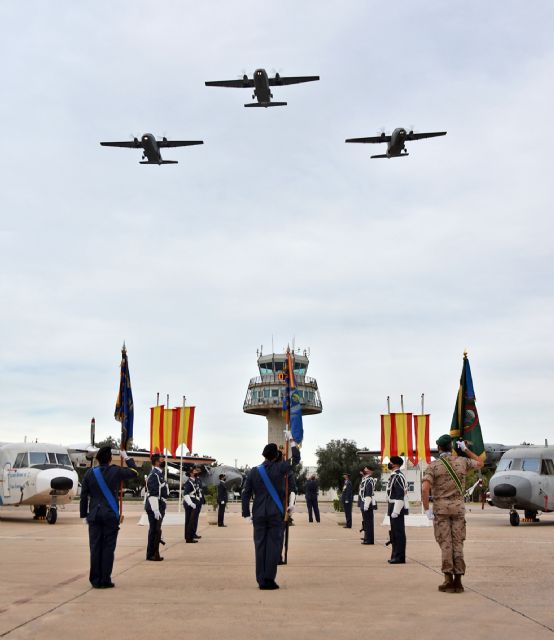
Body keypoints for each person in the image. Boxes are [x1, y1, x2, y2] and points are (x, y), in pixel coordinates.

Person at [422, 435, 484, 593]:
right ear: (452, 447)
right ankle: (459, 581)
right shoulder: (462, 461)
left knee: (446, 544)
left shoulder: (433, 466)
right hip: (458, 509)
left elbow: (425, 488)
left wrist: (427, 509)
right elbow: (480, 463)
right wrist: (466, 450)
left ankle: (448, 579)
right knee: (458, 543)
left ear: (439, 448)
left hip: (441, 510)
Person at [242, 434, 300, 590]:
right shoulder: (281, 467)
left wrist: (246, 513)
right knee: (274, 547)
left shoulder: (254, 471)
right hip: (275, 513)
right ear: (276, 456)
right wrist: (292, 441)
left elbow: (245, 493)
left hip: (259, 514)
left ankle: (261, 580)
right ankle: (269, 579)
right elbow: (296, 458)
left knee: (260, 546)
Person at [80, 446, 138, 588]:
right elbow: (134, 472)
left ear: (98, 459)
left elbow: (83, 496)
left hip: (94, 516)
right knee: (108, 548)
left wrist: (84, 515)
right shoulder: (115, 470)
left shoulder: (89, 473)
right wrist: (127, 457)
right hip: (110, 515)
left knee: (95, 548)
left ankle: (95, 580)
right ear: (110, 459)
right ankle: (105, 579)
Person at [145, 454, 168, 561]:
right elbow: (153, 493)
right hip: (155, 505)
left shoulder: (159, 473)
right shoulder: (154, 475)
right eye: (162, 460)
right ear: (157, 462)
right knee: (154, 530)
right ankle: (152, 554)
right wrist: (155, 509)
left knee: (155, 530)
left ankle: (153, 553)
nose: (163, 461)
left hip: (159, 504)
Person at [386, 455, 407, 564]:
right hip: (393, 506)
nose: (389, 464)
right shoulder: (394, 476)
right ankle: (395, 555)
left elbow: (400, 494)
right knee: (394, 533)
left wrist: (396, 510)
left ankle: (400, 557)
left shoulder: (398, 476)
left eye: (390, 462)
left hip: (396, 507)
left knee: (398, 533)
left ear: (395, 464)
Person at [183, 466, 203, 543]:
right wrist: (191, 503)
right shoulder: (189, 482)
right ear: (191, 473)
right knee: (189, 521)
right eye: (194, 471)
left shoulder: (194, 481)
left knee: (192, 520)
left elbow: (198, 492)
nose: (196, 472)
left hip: (195, 501)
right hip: (190, 503)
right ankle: (188, 538)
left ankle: (190, 536)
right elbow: (185, 494)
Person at [358, 466, 375, 545]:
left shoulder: (370, 480)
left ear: (370, 471)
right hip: (363, 502)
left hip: (366, 503)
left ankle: (369, 539)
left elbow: (368, 493)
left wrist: (366, 505)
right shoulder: (365, 479)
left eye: (365, 469)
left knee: (368, 522)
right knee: (366, 522)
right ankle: (366, 537)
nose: (364, 470)